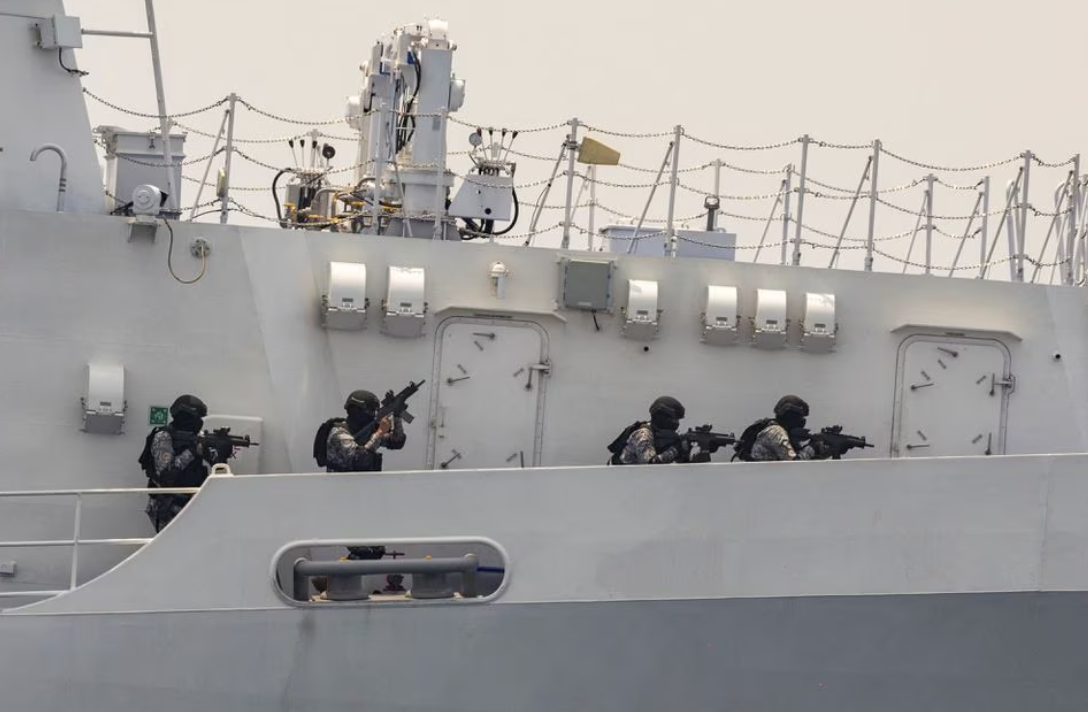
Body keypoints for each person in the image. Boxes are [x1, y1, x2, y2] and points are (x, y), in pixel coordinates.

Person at [319, 389, 408, 561]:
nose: (373, 415)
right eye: (370, 412)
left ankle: (344, 579)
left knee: (376, 550)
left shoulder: (366, 432)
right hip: (345, 496)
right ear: (356, 411)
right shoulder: (338, 432)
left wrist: (397, 415)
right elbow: (359, 458)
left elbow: (397, 442)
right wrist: (379, 433)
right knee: (364, 550)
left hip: (363, 495)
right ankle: (339, 580)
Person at [137, 394, 228, 532]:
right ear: (185, 416)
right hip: (168, 507)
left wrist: (221, 451)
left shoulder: (196, 438)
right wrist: (192, 451)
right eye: (196, 417)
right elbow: (166, 476)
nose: (199, 422)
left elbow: (216, 467)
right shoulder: (163, 436)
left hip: (191, 503)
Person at [738, 394, 832, 462]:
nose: (802, 421)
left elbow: (801, 460)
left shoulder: (774, 429)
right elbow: (794, 463)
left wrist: (826, 451)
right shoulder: (776, 432)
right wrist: (812, 448)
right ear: (791, 416)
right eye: (800, 417)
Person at [614, 396, 692, 465]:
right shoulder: (643, 434)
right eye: (673, 419)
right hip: (621, 477)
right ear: (661, 417)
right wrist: (676, 449)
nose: (676, 423)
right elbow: (651, 464)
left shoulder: (661, 434)